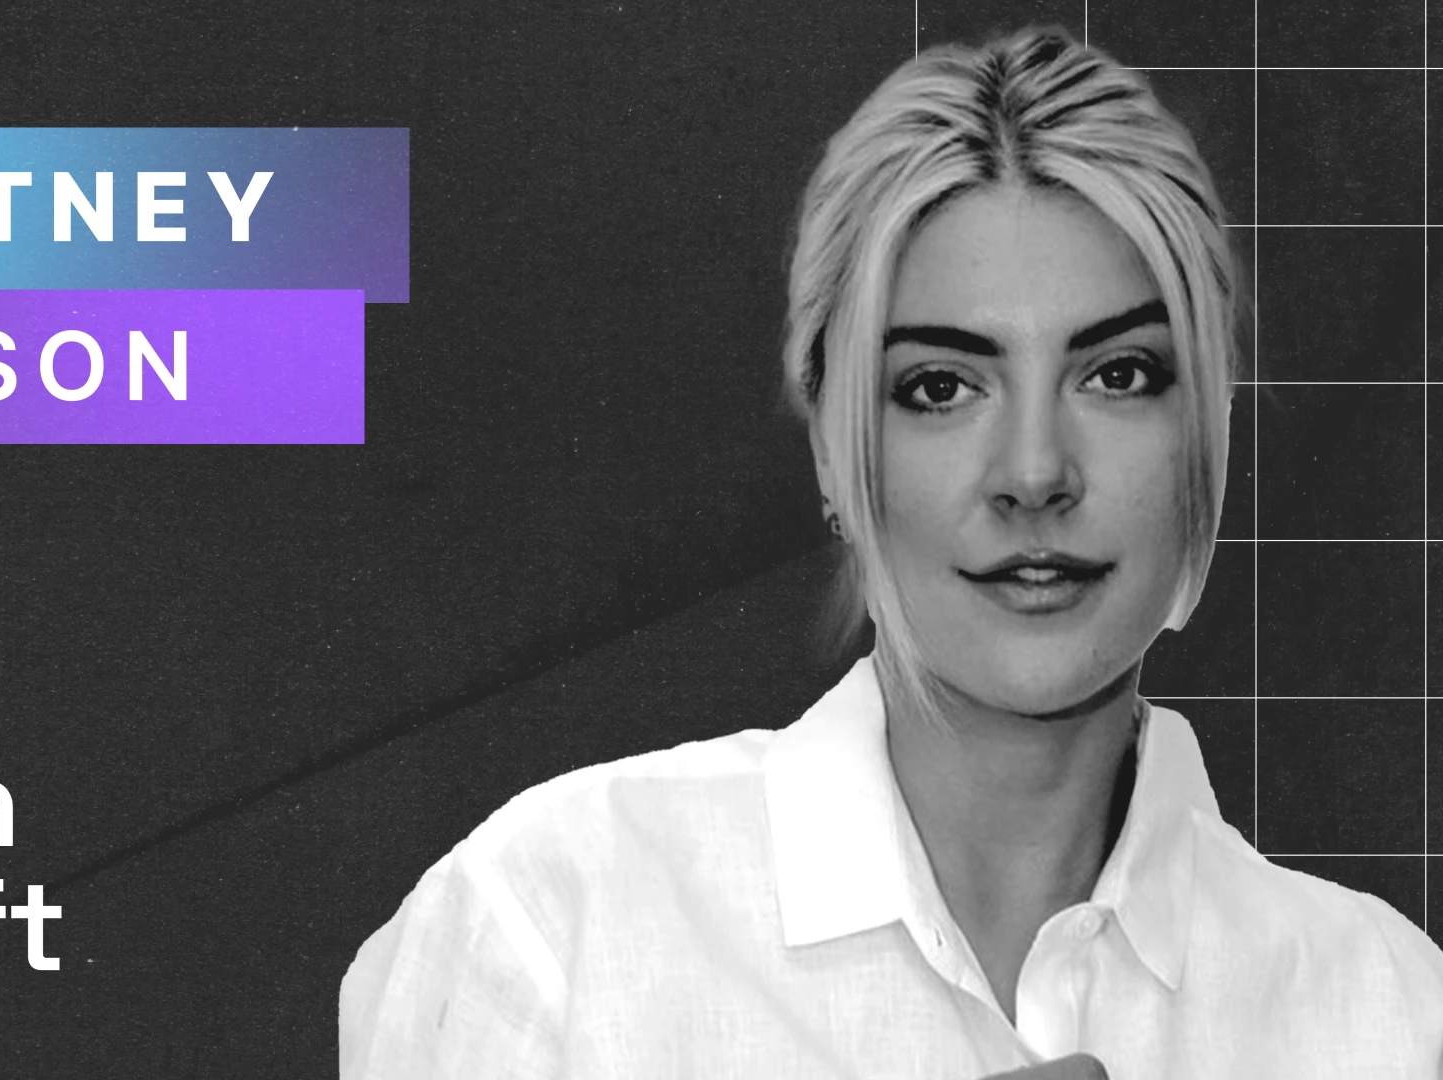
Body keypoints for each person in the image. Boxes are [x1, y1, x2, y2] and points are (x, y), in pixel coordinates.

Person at [340, 26, 1443, 1079]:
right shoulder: (554, 923)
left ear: (1209, 425)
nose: (1034, 470)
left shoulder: (1389, 1007)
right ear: (832, 449)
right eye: (941, 387)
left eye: (1117, 375)